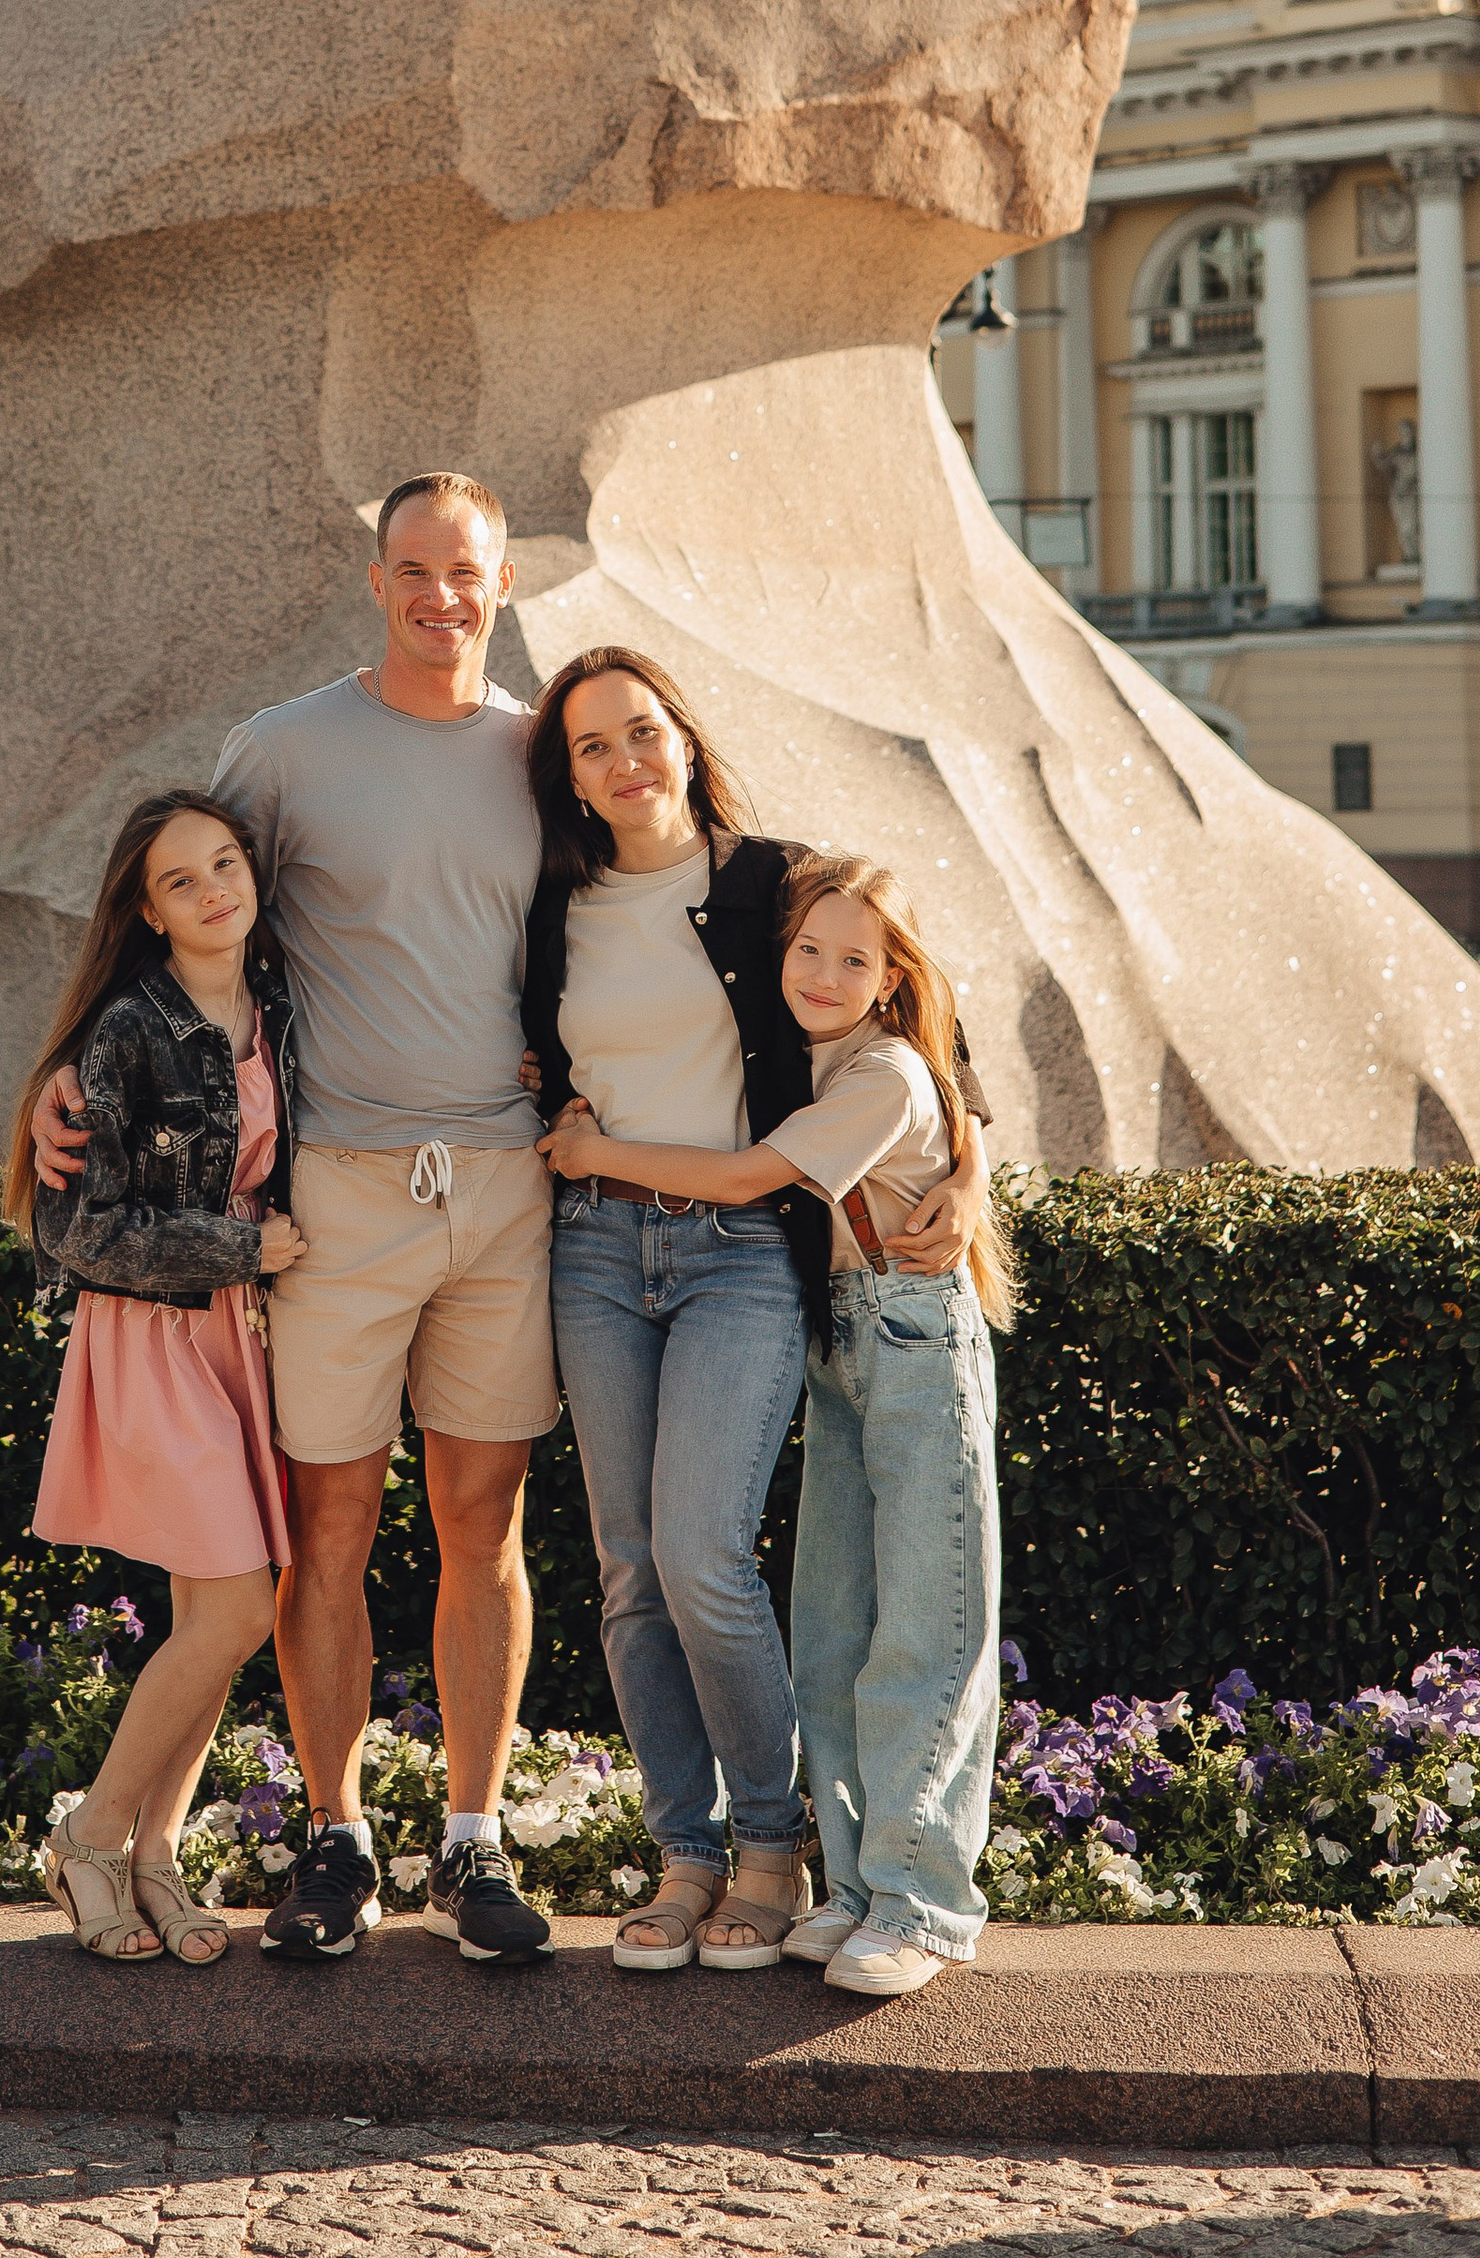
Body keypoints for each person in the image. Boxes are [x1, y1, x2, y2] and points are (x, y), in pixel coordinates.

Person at [33, 473, 560, 1967]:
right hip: (336, 1198)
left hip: (504, 1188)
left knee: (482, 1526)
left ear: (504, 581)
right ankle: (337, 1838)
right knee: (327, 1526)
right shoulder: (279, 751)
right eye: (413, 569)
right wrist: (58, 1083)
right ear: (376, 581)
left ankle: (473, 1839)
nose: (440, 596)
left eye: (465, 571)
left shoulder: (543, 755)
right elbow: (167, 915)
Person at [517, 652, 991, 1977]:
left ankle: (773, 1852)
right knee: (629, 1572)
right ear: (569, 777)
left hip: (738, 1253)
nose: (625, 762)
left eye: (642, 732)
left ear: (683, 737)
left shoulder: (773, 881)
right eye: (592, 746)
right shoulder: (553, 905)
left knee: (703, 1558)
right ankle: (688, 1854)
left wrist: (970, 1172)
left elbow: (931, 1031)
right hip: (595, 1250)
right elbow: (516, 1049)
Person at [5, 789, 306, 1963]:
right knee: (236, 1608)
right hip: (156, 1334)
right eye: (182, 880)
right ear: (147, 909)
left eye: (225, 863)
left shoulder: (281, 1000)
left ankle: (156, 1857)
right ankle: (89, 1836)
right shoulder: (127, 1032)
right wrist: (243, 1249)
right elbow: (80, 1232)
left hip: (240, 1334)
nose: (214, 890)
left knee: (209, 1620)